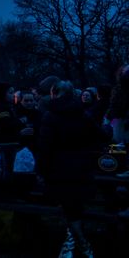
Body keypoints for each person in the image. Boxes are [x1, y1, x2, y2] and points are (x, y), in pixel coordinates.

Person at [38, 80, 108, 257]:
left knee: (71, 210)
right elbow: (100, 135)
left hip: (58, 170)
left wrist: (42, 170)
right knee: (73, 209)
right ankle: (76, 245)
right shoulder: (83, 115)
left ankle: (79, 245)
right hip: (81, 168)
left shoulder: (50, 116)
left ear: (54, 94)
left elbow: (45, 147)